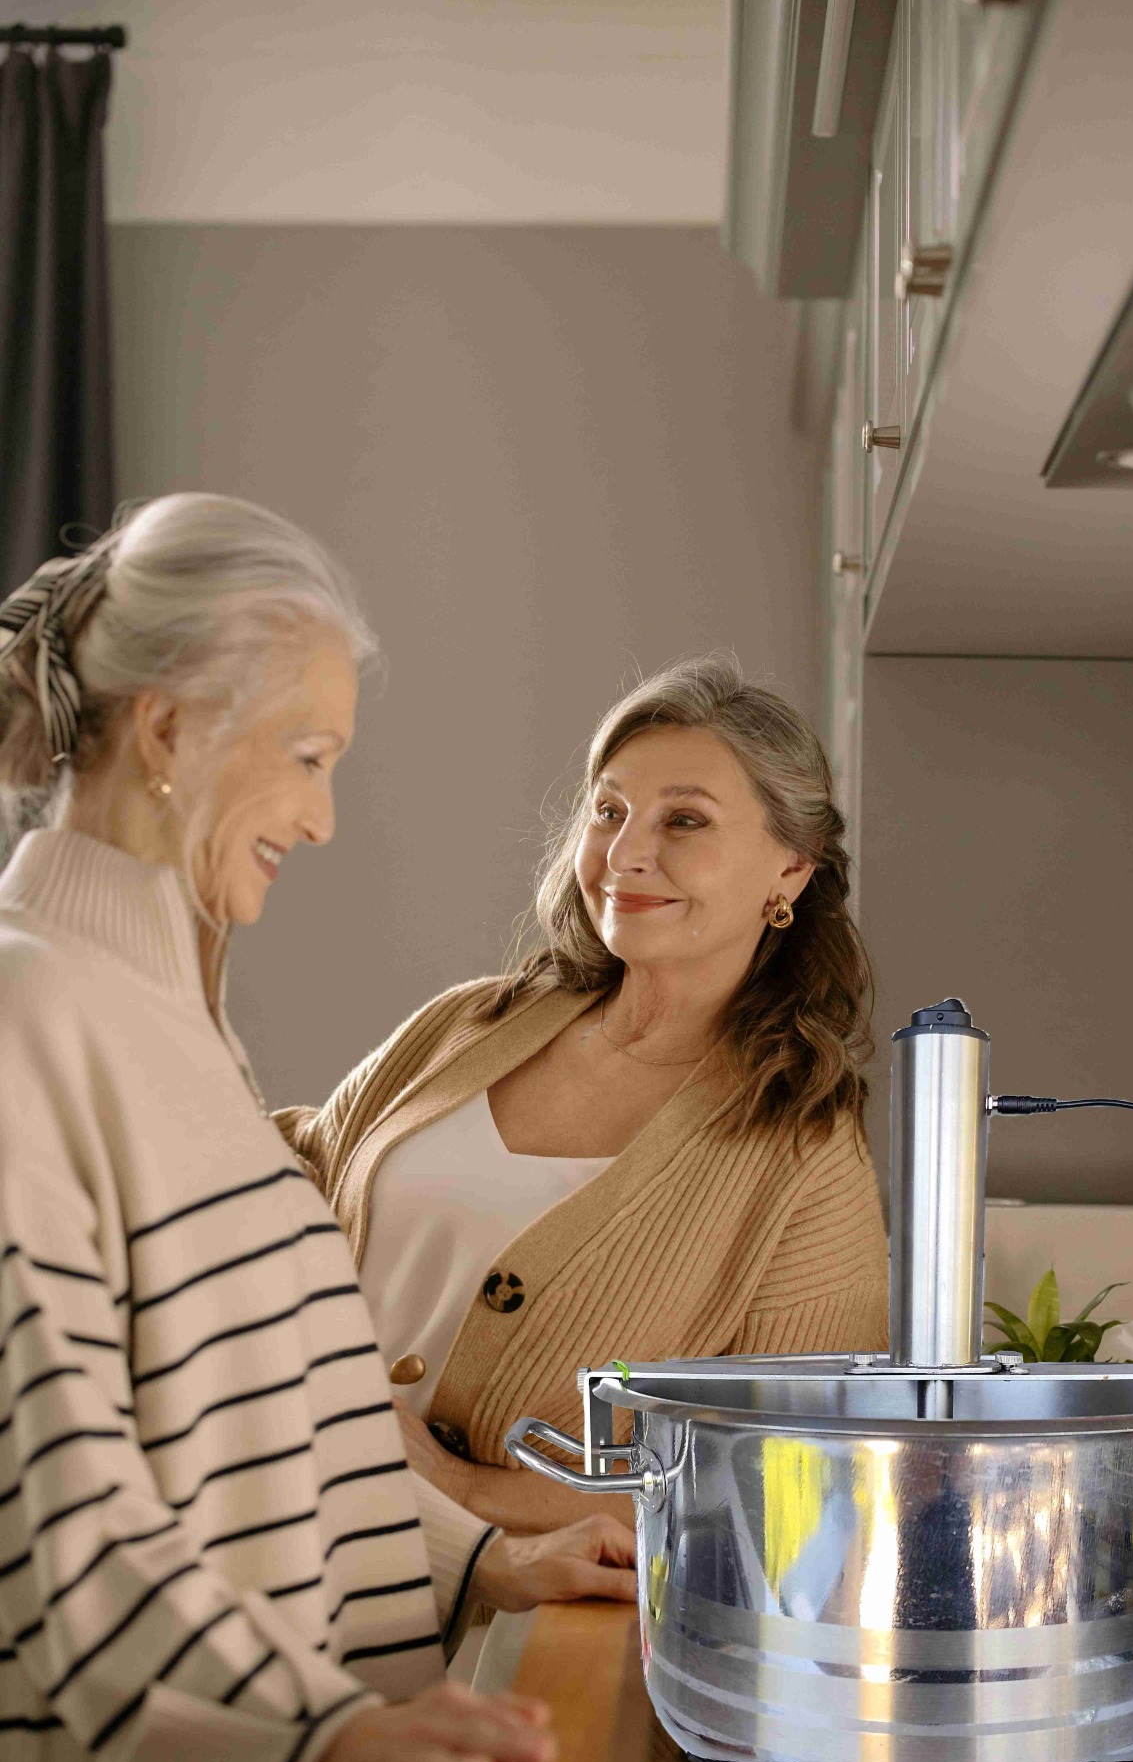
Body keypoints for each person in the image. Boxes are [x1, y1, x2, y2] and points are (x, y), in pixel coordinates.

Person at [0, 494, 633, 1762]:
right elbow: (45, 1484)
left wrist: (489, 1563)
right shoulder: (25, 1008)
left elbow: (269, 1429)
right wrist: (319, 1736)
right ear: (169, 731)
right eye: (306, 758)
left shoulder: (180, 1027)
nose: (323, 819)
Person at [279, 656, 889, 1537]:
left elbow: (790, 1486)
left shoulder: (802, 1156)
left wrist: (461, 1490)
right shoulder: (470, 1024)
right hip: (273, 1548)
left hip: (501, 1610)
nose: (626, 854)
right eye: (609, 811)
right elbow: (296, 1169)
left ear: (791, 869)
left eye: (685, 820)